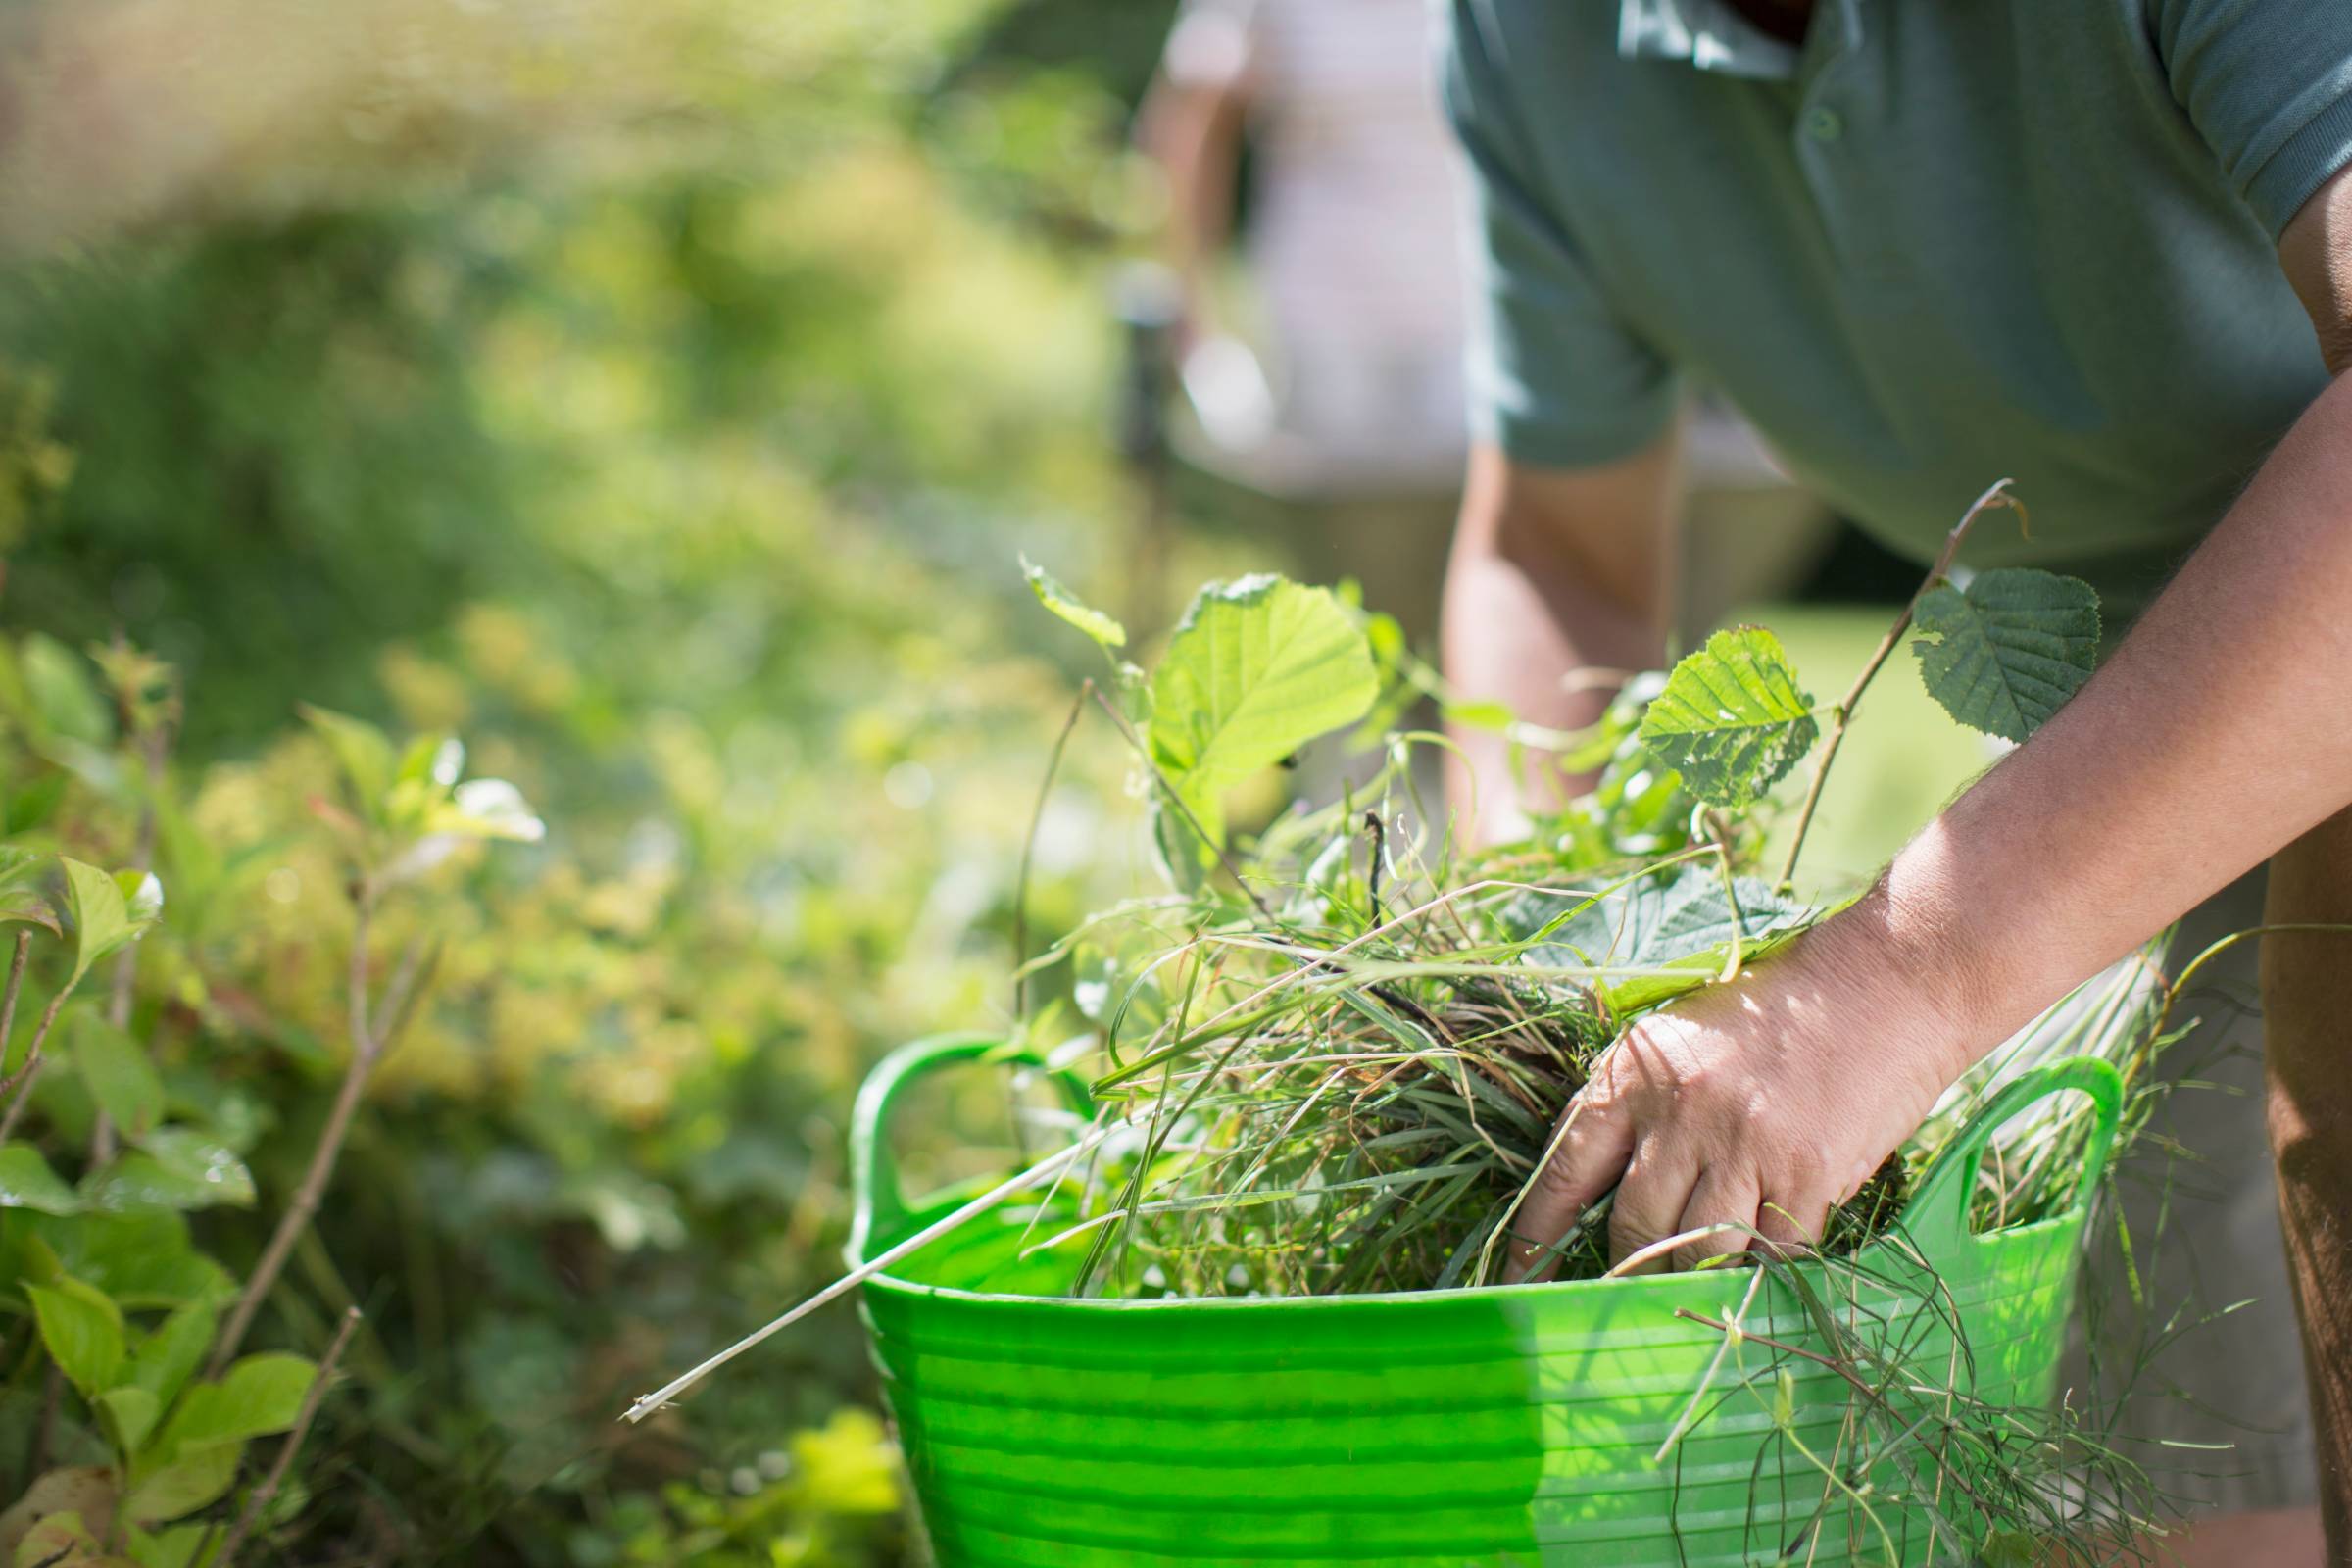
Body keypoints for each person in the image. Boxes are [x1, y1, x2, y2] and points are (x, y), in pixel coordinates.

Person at [1435, 1, 2352, 1561]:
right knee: (2154, 1466)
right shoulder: (1536, 34)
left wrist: (1900, 982)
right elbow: (1557, 547)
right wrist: (1555, 954)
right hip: (2130, 779)